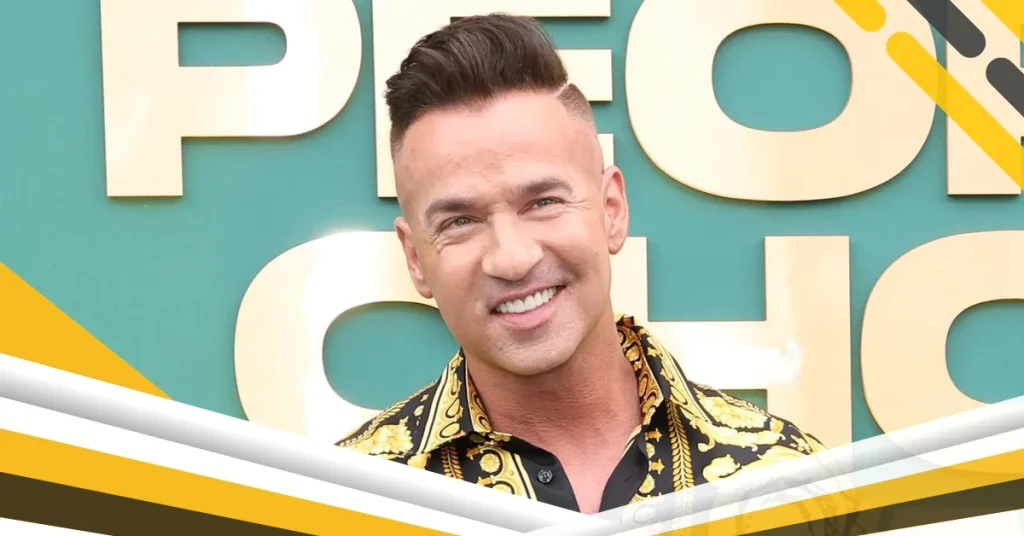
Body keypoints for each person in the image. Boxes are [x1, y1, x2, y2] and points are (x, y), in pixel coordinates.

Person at [337, 13, 825, 514]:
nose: (512, 258)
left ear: (611, 210)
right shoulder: (345, 507)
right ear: (415, 258)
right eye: (460, 221)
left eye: (543, 202)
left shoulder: (792, 481)